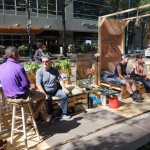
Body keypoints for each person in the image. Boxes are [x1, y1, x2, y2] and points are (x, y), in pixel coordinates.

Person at [0, 46, 46, 124]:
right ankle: (32, 117)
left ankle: (35, 117)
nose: (19, 56)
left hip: (8, 97)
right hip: (20, 97)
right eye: (18, 54)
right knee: (42, 96)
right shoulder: (18, 67)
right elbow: (26, 84)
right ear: (14, 54)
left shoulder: (1, 67)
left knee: (29, 98)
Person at [36, 55, 70, 123]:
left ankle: (62, 113)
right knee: (47, 99)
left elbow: (60, 79)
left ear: (50, 62)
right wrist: (44, 94)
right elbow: (38, 84)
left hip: (55, 90)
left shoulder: (54, 70)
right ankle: (52, 114)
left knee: (64, 95)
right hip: (46, 91)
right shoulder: (39, 71)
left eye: (46, 61)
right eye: (43, 62)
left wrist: (64, 88)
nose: (44, 63)